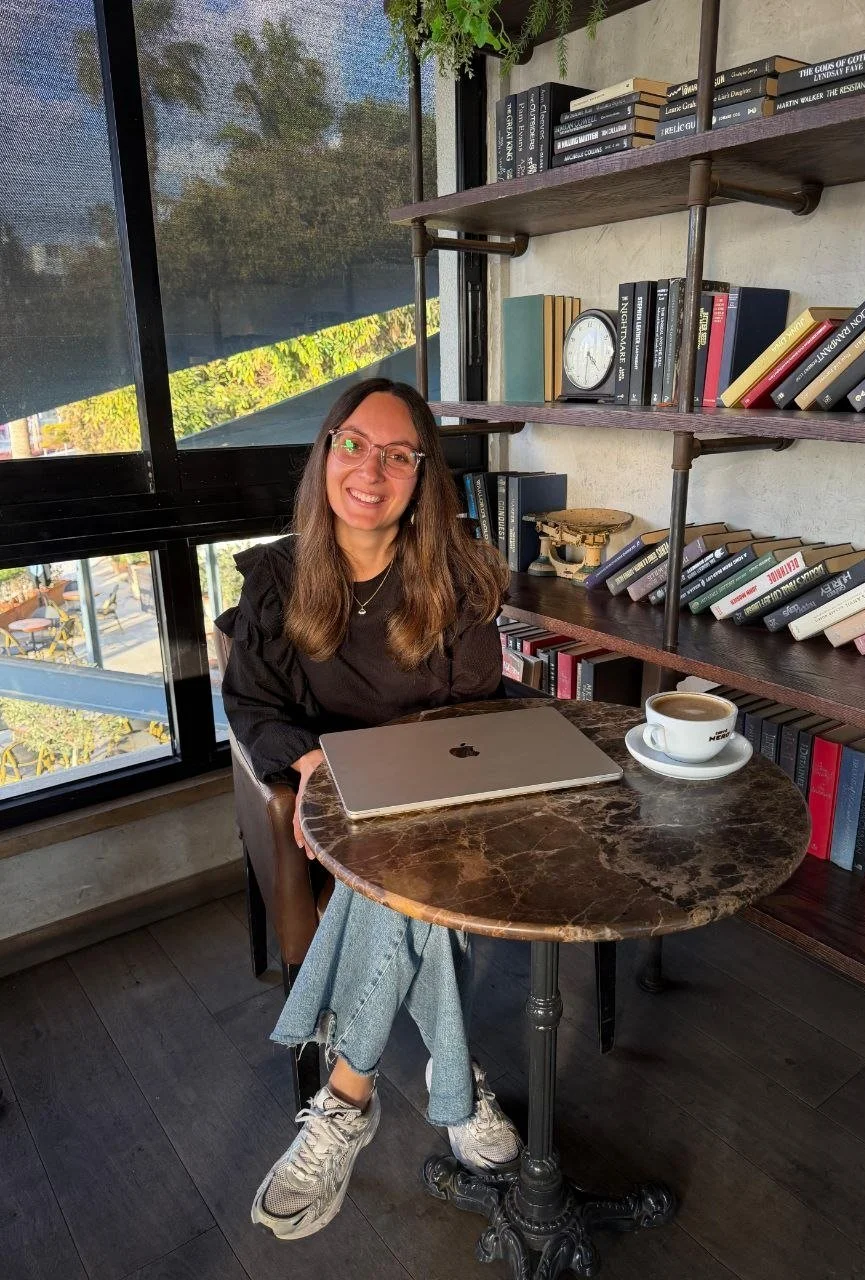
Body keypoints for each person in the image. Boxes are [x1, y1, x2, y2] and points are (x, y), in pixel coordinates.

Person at [217, 377, 521, 1242]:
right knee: (400, 888)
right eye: (352, 444)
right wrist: (313, 765)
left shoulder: (457, 578)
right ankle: (455, 1085)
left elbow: (473, 716)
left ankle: (346, 1098)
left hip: (433, 803)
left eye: (397, 455)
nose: (370, 470)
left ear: (422, 477)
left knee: (399, 871)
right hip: (339, 802)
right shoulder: (278, 578)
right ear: (326, 453)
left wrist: (402, 782)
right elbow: (252, 706)